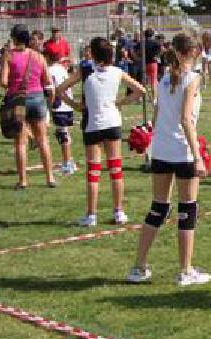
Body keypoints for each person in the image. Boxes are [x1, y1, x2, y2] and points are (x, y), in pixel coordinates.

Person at [126, 33, 210, 287]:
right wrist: (198, 157)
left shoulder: (163, 79)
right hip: (181, 151)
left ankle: (139, 266)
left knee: (158, 207)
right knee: (187, 209)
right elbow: (185, 119)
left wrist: (150, 139)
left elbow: (158, 113)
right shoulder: (191, 78)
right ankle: (185, 271)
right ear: (189, 53)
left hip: (162, 150)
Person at [57, 37, 146, 225]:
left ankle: (91, 215)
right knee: (116, 170)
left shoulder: (86, 70)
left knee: (93, 172)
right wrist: (120, 103)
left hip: (93, 125)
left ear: (94, 54)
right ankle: (118, 212)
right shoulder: (117, 72)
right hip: (112, 123)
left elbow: (60, 89)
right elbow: (140, 90)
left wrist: (76, 105)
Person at [0, 24, 56, 190]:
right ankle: (50, 178)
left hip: (18, 100)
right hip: (38, 98)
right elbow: (47, 81)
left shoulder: (8, 56)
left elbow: (3, 82)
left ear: (15, 38)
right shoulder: (38, 56)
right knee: (43, 140)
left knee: (20, 142)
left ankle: (23, 180)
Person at [48, 57, 77, 175]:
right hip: (67, 104)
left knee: (62, 134)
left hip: (59, 105)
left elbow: (50, 88)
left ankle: (67, 164)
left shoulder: (50, 70)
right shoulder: (62, 70)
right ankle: (69, 161)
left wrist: (50, 104)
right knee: (63, 133)